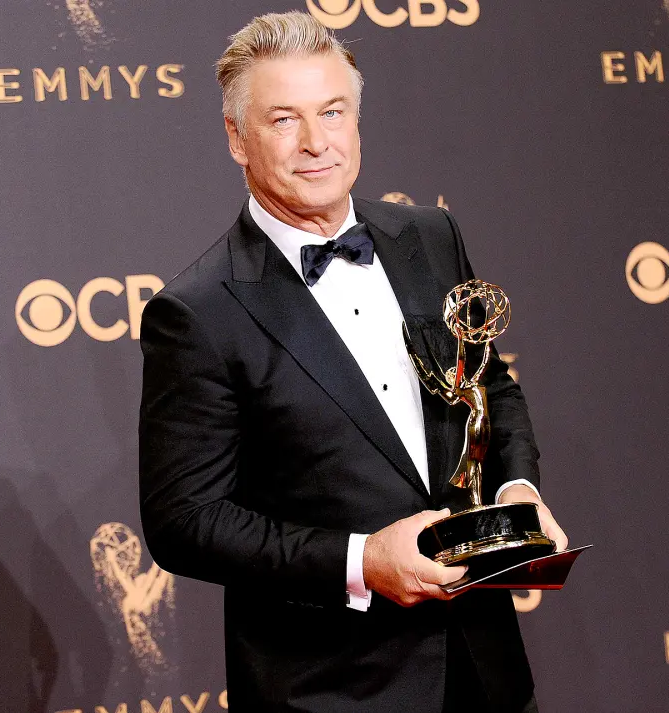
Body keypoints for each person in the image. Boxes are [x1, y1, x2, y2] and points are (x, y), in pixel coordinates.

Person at [138, 11, 567, 712]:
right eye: (283, 120)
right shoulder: (198, 312)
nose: (316, 143)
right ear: (236, 139)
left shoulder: (429, 236)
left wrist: (517, 489)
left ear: (357, 120)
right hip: (331, 687)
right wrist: (360, 560)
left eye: (332, 111)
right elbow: (186, 521)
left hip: (484, 668)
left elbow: (488, 383)